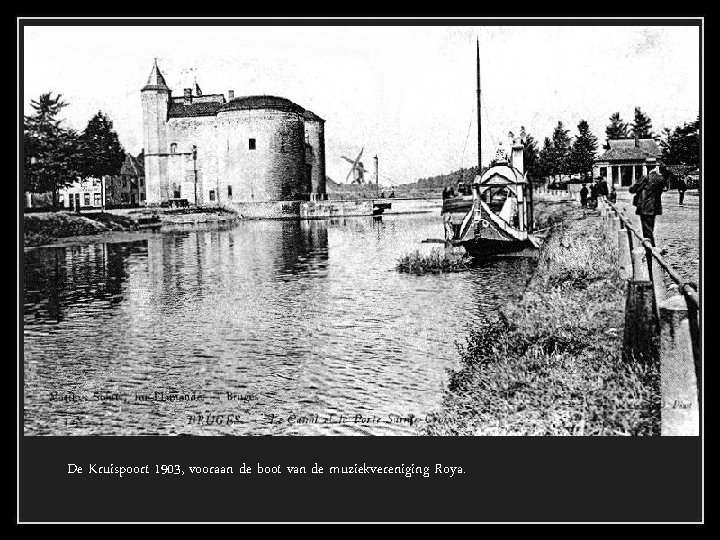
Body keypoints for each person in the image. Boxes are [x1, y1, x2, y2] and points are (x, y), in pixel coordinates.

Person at [629, 172, 666, 246]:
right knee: (650, 229)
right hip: (654, 207)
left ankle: (650, 249)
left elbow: (632, 190)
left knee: (647, 231)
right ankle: (651, 247)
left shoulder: (645, 178)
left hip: (645, 207)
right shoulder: (660, 179)